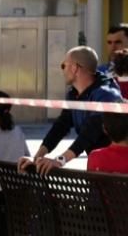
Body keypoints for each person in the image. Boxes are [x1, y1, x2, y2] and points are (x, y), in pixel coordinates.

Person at [19, 46, 123, 176]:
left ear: (74, 68)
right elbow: (61, 126)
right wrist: (37, 158)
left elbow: (91, 132)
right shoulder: (74, 94)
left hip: (118, 165)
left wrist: (60, 160)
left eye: (64, 65)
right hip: (100, 163)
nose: (62, 70)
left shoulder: (105, 94)